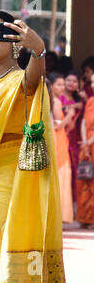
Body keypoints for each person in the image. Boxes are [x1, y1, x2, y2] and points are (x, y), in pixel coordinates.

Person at [0, 10, 65, 283]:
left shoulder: (19, 80)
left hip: (8, 183)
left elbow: (32, 82)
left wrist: (39, 50)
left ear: (15, 40)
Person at [49, 72, 74, 223]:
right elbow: (57, 125)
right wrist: (70, 115)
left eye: (63, 84)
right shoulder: (56, 102)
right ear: (51, 85)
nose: (62, 87)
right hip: (57, 138)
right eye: (59, 84)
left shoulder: (51, 100)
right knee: (61, 175)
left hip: (56, 139)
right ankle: (60, 215)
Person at [60, 70, 84, 203]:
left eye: (74, 81)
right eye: (68, 80)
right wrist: (74, 106)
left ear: (78, 84)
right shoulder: (59, 97)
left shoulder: (79, 99)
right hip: (63, 135)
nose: (71, 83)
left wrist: (81, 103)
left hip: (76, 137)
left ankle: (73, 202)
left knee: (75, 167)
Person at [77, 73, 94, 229]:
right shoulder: (90, 101)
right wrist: (85, 142)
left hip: (92, 144)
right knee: (84, 181)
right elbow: (83, 122)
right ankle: (85, 217)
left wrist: (89, 142)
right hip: (87, 146)